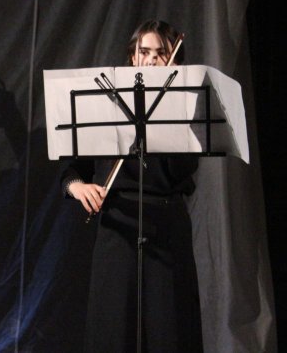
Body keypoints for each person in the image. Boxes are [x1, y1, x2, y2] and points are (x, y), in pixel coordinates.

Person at [62, 20, 203, 352]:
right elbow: (74, 169)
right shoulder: (106, 103)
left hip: (166, 225)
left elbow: (182, 171)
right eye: (144, 52)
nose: (151, 60)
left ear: (173, 60)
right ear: (132, 57)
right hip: (118, 225)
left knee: (169, 329)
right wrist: (77, 187)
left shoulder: (183, 104)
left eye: (160, 53)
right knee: (113, 328)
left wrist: (170, 117)